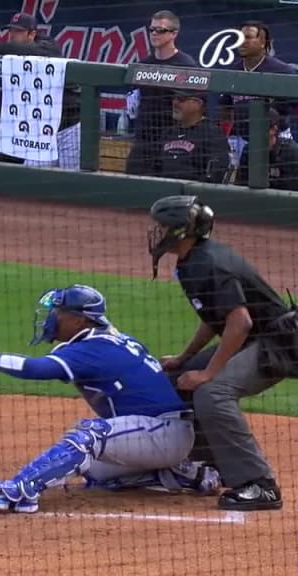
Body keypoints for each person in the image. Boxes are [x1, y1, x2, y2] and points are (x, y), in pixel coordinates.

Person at [0, 284, 220, 514]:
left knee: (88, 436)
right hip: (161, 434)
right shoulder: (105, 340)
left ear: (80, 320)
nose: (52, 317)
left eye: (59, 312)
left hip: (162, 432)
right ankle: (180, 474)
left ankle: (19, 494)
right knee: (93, 472)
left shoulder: (93, 348)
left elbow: (37, 369)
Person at [148, 195, 298, 511]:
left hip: (279, 344)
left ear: (180, 231)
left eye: (162, 226)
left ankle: (260, 485)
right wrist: (185, 358)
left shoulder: (206, 263)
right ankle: (207, 466)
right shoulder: (192, 261)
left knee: (212, 392)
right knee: (176, 378)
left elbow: (239, 322)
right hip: (256, 337)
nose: (156, 231)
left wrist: (208, 372)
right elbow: (215, 318)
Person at [0, 12, 81, 170]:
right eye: (11, 31)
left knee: (73, 180)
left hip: (68, 125)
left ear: (32, 34)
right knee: (34, 178)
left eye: (18, 31)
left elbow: (36, 52)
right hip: (42, 131)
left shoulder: (49, 45)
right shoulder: (13, 57)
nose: (12, 35)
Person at [217, 21, 295, 172]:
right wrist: (227, 138)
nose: (241, 41)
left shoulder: (282, 71)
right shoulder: (233, 72)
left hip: (275, 139)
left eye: (248, 37)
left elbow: (290, 107)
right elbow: (226, 109)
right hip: (241, 139)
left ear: (262, 43)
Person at [126, 10, 197, 176]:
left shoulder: (186, 65)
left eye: (160, 30)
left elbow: (194, 108)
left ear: (174, 34)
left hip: (173, 140)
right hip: (143, 139)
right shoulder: (144, 64)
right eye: (152, 29)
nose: (154, 34)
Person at [156, 90, 230, 183]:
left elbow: (216, 173)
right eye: (174, 98)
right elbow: (155, 166)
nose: (175, 102)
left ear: (198, 104)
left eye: (181, 99)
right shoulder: (167, 133)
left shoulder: (212, 133)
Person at [235, 107, 298, 190]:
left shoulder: (292, 152)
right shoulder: (248, 151)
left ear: (274, 129)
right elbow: (241, 187)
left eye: (261, 129)